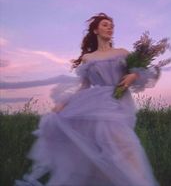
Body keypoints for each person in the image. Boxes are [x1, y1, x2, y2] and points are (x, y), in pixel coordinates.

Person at [15, 12, 160, 186]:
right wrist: (63, 102)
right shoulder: (88, 58)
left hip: (118, 104)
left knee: (126, 146)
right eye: (105, 25)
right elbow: (84, 86)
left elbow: (143, 71)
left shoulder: (122, 52)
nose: (110, 28)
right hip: (96, 105)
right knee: (104, 150)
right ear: (95, 30)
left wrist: (133, 75)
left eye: (112, 25)